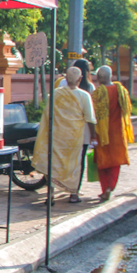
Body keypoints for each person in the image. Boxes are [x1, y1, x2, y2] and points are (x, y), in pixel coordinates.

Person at [33, 65, 97, 203]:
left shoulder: (56, 93)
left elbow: (47, 114)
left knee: (53, 163)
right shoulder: (84, 95)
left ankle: (50, 194)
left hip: (56, 135)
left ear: (66, 78)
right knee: (73, 165)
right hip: (74, 137)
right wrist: (93, 136)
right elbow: (90, 118)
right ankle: (73, 194)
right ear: (80, 79)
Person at [92, 65, 135, 202]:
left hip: (102, 132)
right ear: (111, 77)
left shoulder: (99, 93)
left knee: (103, 162)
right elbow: (127, 109)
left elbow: (94, 113)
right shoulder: (121, 90)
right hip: (118, 132)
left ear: (99, 78)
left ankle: (104, 189)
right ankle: (110, 188)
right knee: (115, 163)